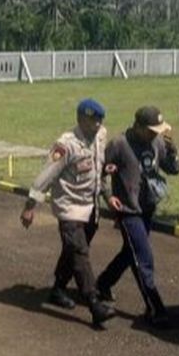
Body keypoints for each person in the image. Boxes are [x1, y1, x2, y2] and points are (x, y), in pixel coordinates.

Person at [20, 98, 116, 328]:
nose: (98, 124)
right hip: (69, 206)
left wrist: (107, 194)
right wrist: (30, 206)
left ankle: (58, 289)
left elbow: (99, 168)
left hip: (90, 206)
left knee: (72, 250)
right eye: (93, 120)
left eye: (100, 119)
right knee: (79, 252)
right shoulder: (66, 145)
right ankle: (94, 303)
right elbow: (46, 175)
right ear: (81, 119)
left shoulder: (101, 135)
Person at [96, 106, 179, 328]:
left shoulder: (157, 142)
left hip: (147, 207)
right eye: (152, 130)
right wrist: (108, 196)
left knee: (130, 252)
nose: (156, 134)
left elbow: (173, 169)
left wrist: (173, 152)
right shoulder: (119, 144)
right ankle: (155, 308)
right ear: (138, 126)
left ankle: (102, 283)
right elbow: (100, 171)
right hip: (128, 210)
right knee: (143, 256)